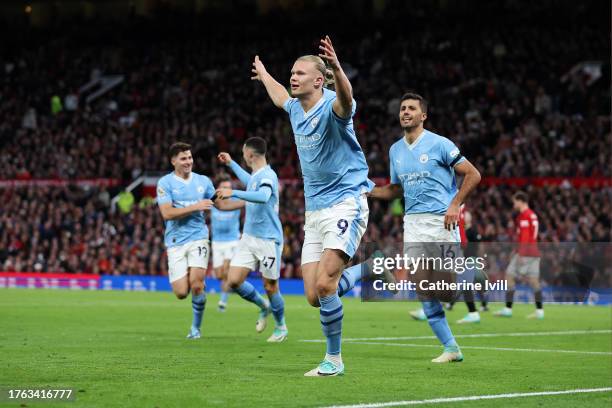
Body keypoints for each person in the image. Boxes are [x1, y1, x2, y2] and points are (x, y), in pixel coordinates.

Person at [251, 36, 377, 376]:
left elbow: (349, 102)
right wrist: (264, 74)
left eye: (300, 73)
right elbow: (280, 96)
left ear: (319, 80)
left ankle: (334, 360)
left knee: (325, 286)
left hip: (346, 203)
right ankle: (368, 270)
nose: (293, 77)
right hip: (315, 210)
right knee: (313, 294)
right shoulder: (294, 107)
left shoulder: (333, 106)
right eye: (292, 72)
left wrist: (338, 67)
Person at [369, 92, 481, 363]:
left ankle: (472, 277)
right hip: (413, 224)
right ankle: (451, 348)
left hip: (441, 221)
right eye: (402, 108)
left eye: (411, 108)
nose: (405, 112)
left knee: (444, 290)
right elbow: (396, 190)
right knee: (422, 289)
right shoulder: (395, 150)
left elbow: (473, 173)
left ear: (423, 116)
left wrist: (455, 205)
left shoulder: (440, 144)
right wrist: (369, 192)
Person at [156, 142, 240, 339]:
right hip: (175, 241)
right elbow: (167, 213)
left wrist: (249, 201)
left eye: (190, 157)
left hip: (198, 238)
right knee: (181, 292)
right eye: (184, 158)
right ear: (173, 161)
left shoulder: (203, 181)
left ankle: (196, 328)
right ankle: (197, 294)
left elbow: (222, 205)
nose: (188, 162)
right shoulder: (165, 183)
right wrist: (196, 206)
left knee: (196, 284)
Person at [216, 137, 288, 342]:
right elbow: (250, 183)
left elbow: (263, 196)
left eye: (242, 153)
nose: (242, 156)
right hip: (249, 237)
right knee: (234, 280)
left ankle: (281, 326)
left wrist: (233, 192)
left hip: (268, 240)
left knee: (270, 286)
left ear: (250, 154)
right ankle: (263, 306)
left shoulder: (269, 176)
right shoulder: (257, 176)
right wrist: (230, 163)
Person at [494, 191, 543, 319]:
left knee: (509, 275)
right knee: (534, 281)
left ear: (521, 201)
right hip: (534, 252)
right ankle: (540, 311)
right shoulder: (532, 215)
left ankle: (508, 309)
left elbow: (525, 236)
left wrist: (520, 253)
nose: (513, 204)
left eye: (515, 201)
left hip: (525, 252)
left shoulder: (524, 216)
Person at [210, 173, 242, 312]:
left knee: (227, 270)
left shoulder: (237, 199)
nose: (226, 190)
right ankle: (238, 285)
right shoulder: (213, 201)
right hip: (217, 242)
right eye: (224, 187)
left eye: (228, 187)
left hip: (232, 240)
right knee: (220, 275)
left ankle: (223, 301)